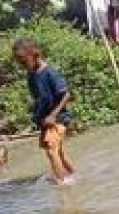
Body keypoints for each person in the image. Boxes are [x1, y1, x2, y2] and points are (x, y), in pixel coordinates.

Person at [13, 37, 76, 184]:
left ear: (35, 55)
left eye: (23, 61)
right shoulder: (31, 75)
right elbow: (39, 98)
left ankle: (63, 184)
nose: (22, 65)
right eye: (19, 62)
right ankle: (74, 176)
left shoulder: (49, 73)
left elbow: (66, 94)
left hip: (57, 118)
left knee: (51, 151)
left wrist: (53, 115)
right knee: (58, 152)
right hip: (45, 120)